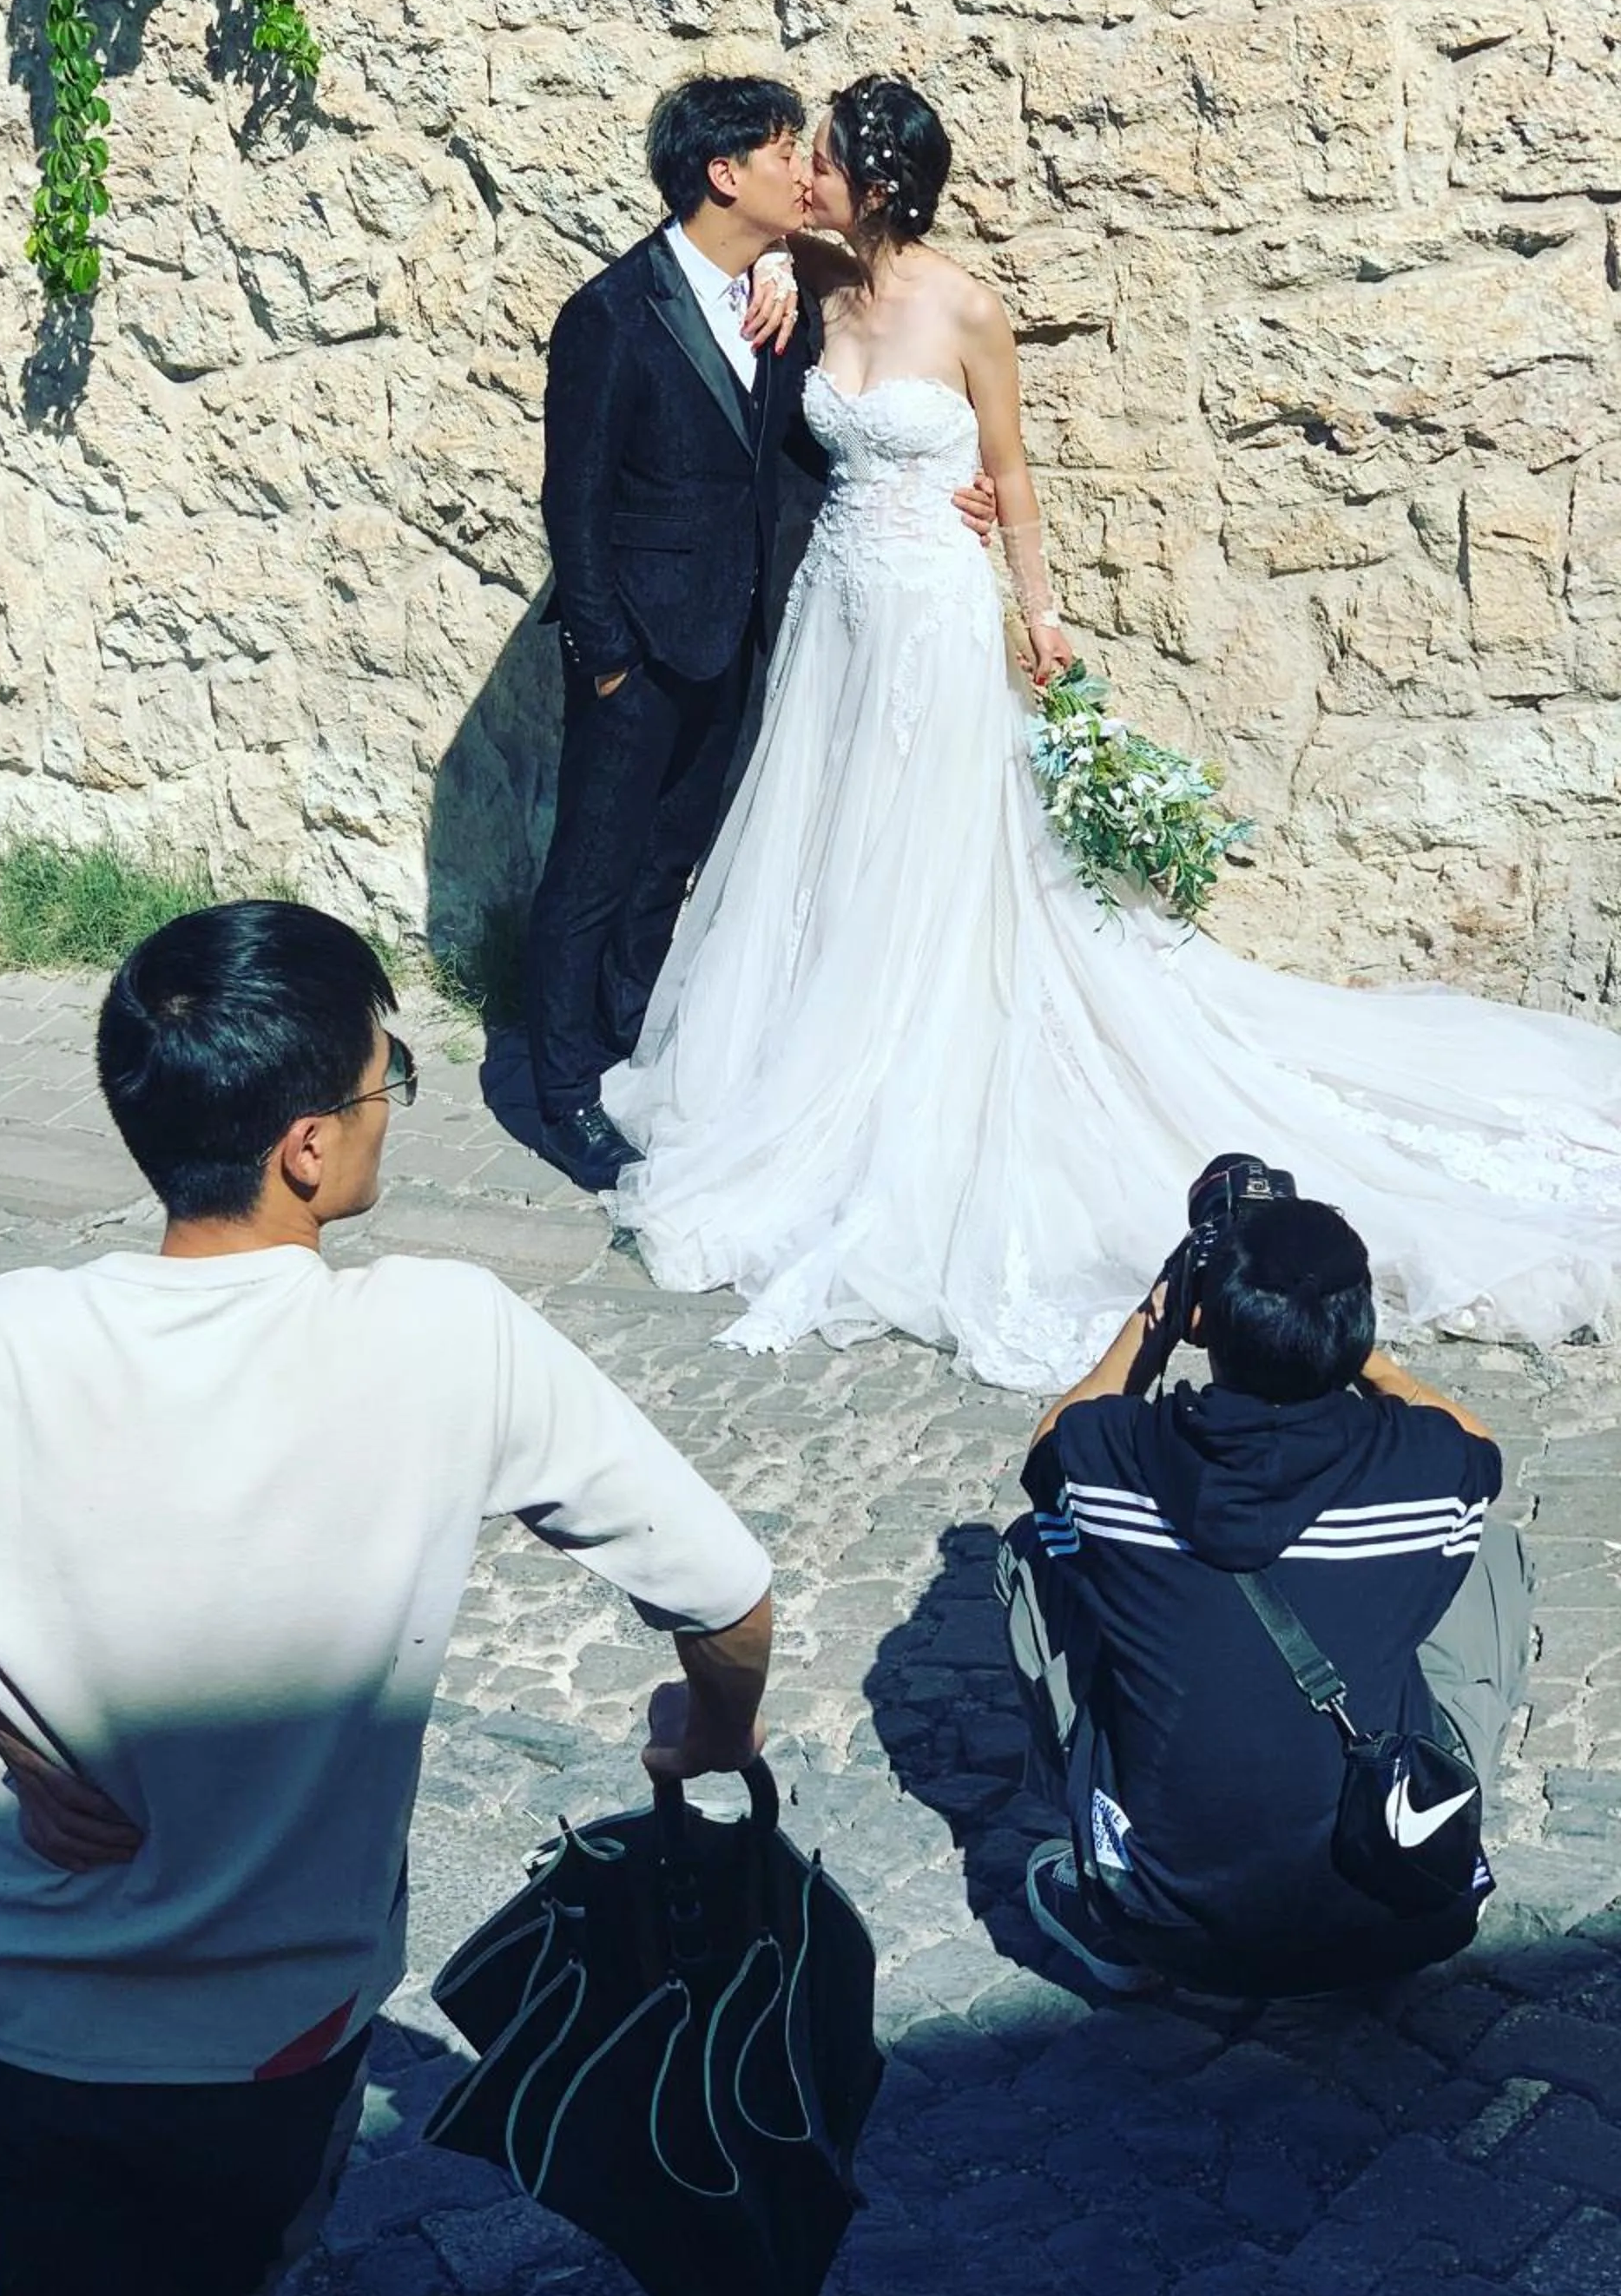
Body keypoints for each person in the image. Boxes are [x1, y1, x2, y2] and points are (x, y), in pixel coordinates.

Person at [0, 900, 774, 2296]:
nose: (389, 1109)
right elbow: (725, 1592)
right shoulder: (450, 1337)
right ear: (307, 1146)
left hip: (24, 2022)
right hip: (277, 2042)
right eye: (387, 1080)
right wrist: (712, 1731)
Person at [603, 71, 1621, 1382]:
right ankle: (806, 1053)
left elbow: (1010, 468)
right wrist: (775, 269)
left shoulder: (967, 307)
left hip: (932, 616)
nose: (807, 174)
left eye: (829, 159)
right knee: (821, 838)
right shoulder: (809, 278)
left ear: (882, 181)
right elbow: (756, 322)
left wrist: (1041, 617)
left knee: (927, 849)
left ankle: (908, 1065)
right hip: (835, 617)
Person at [524, 70, 994, 1189]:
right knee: (592, 870)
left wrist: (941, 493)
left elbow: (801, 448)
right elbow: (572, 502)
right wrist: (605, 659)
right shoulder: (610, 315)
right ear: (724, 174)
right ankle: (562, 1092)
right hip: (637, 653)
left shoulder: (775, 304)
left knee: (668, 864)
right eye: (787, 152)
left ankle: (628, 1044)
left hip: (737, 642)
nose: (803, 170)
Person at [997, 1193, 1534, 1997]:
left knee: (1036, 1545)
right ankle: (1433, 1811)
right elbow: (1480, 1445)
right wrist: (1356, 1352)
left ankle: (1104, 1873)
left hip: (1165, 1926)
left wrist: (1155, 1323)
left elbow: (1050, 1444)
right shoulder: (1426, 1464)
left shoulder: (1110, 1457)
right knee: (1487, 1544)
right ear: (1357, 1327)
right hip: (1406, 1913)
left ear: (1207, 1323)